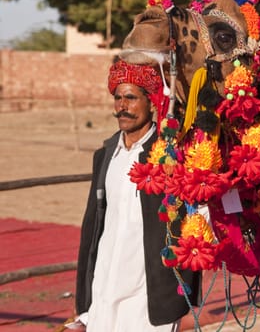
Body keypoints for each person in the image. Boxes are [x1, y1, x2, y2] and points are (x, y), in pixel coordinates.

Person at [73, 59, 200, 331]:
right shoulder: (106, 156)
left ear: (152, 103)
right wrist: (85, 309)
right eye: (118, 98)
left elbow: (191, 225)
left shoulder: (171, 156)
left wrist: (183, 301)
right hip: (104, 295)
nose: (122, 106)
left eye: (131, 98)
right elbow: (93, 229)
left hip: (149, 302)